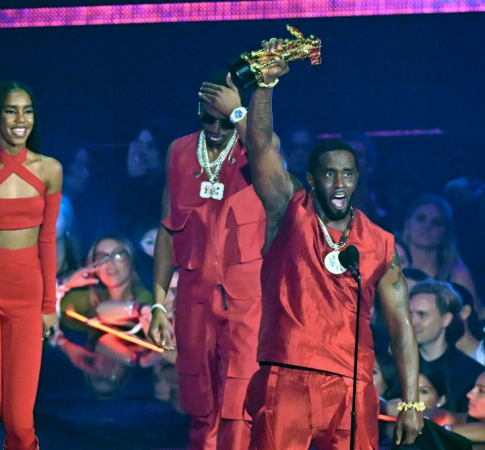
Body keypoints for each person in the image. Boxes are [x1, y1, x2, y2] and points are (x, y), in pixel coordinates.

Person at [241, 38, 423, 448]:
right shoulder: (289, 210)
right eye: (328, 174)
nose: (339, 183)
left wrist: (411, 403)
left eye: (347, 174)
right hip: (286, 375)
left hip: (351, 386)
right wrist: (265, 86)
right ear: (312, 179)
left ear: (358, 179)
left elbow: (401, 323)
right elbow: (261, 144)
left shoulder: (380, 243)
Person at [148, 70, 265, 450]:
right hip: (195, 300)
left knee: (239, 407)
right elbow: (168, 229)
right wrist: (158, 303)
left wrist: (239, 116)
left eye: (223, 119)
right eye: (207, 118)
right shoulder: (180, 151)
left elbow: (270, 155)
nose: (215, 128)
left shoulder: (252, 149)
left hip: (244, 302)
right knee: (200, 406)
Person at [0, 81, 62, 450]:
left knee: (20, 424)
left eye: (27, 110)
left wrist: (48, 305)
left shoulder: (50, 169)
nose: (20, 119)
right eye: (10, 110)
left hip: (27, 297)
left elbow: (48, 240)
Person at [409, 280, 484, 412]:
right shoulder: (394, 364)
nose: (412, 322)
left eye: (422, 315)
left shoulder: (469, 374)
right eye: (409, 314)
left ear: (446, 319)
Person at [402, 193, 477, 305]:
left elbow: (472, 318)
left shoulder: (457, 276)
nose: (427, 226)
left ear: (445, 232)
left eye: (436, 223)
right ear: (407, 225)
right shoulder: (390, 269)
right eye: (421, 219)